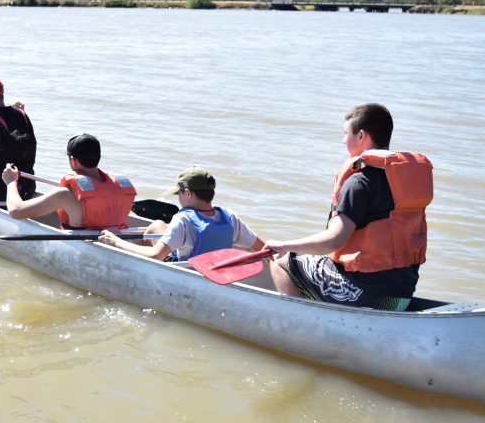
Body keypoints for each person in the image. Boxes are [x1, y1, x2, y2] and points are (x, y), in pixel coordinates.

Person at [265, 103, 433, 310]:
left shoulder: (360, 181)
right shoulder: (403, 181)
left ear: (361, 136)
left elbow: (334, 241)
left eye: (346, 133)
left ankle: (300, 323)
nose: (343, 140)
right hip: (400, 296)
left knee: (283, 262)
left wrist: (283, 246)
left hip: (366, 296)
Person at [98, 166, 264, 260]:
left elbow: (156, 256)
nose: (178, 198)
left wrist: (116, 242)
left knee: (155, 226)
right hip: (216, 272)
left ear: (188, 193)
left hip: (185, 268)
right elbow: (262, 249)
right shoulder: (230, 217)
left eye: (179, 194)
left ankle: (131, 259)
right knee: (158, 226)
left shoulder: (183, 220)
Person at [2, 133, 136, 229]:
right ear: (99, 157)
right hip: (116, 243)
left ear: (73, 160)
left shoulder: (65, 195)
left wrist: (11, 181)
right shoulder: (120, 188)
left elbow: (16, 211)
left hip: (83, 249)